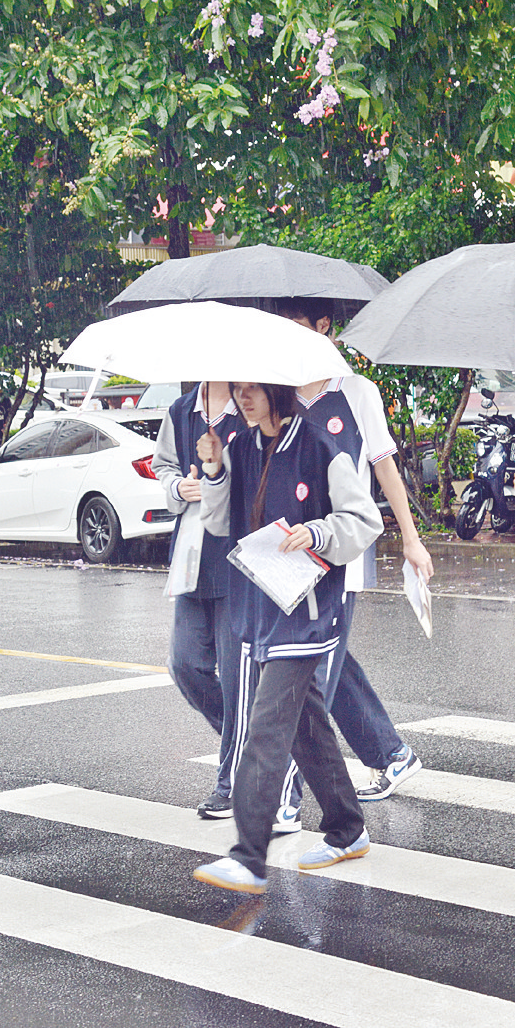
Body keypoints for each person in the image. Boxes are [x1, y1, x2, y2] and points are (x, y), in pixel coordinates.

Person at [191, 381, 383, 894]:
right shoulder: (241, 448)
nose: (243, 399)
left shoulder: (320, 445)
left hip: (308, 610)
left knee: (266, 727)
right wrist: (213, 471)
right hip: (260, 606)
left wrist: (317, 533)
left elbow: (364, 521)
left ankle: (249, 854)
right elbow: (216, 521)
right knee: (305, 727)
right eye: (238, 390)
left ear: (278, 390)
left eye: (253, 390)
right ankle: (347, 828)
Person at [271, 299, 427, 805]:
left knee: (309, 676)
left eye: (298, 328)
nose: (292, 339)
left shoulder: (358, 393)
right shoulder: (277, 394)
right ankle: (392, 754)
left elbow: (384, 469)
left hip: (341, 555)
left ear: (324, 329)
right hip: (288, 553)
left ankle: (288, 795)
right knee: (324, 663)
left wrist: (411, 538)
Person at [152, 381, 244, 819]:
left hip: (237, 555)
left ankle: (231, 782)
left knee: (237, 674)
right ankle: (251, 742)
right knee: (185, 663)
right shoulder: (182, 410)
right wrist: (178, 488)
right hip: (192, 553)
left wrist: (219, 473)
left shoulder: (250, 403)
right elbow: (163, 467)